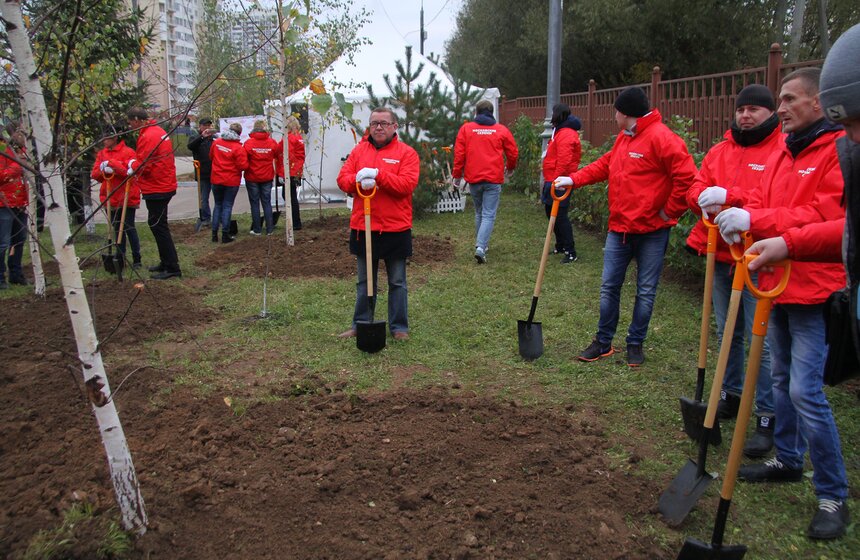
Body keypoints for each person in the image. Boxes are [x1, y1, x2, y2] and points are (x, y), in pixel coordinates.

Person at [715, 67, 849, 540]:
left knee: (804, 391)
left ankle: (833, 493)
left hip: (814, 289)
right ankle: (788, 459)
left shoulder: (836, 152)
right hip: (778, 283)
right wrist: (735, 210)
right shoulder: (784, 154)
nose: (784, 107)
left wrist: (759, 218)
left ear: (818, 103)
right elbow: (760, 200)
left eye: (791, 99)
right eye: (782, 99)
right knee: (777, 375)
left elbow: (822, 218)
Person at [556, 86, 697, 366]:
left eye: (616, 111)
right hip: (619, 228)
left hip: (652, 232)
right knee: (609, 287)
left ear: (625, 113)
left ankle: (635, 343)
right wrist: (574, 179)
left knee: (645, 290)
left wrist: (668, 211)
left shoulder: (662, 139)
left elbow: (688, 178)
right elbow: (604, 165)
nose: (614, 116)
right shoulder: (625, 138)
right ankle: (603, 341)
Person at [686, 84, 783, 457]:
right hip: (724, 256)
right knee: (728, 331)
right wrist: (702, 199)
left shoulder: (778, 152)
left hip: (759, 257)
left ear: (769, 113)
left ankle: (766, 416)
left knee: (763, 341)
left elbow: (771, 200)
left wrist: (732, 197)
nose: (746, 115)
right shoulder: (720, 150)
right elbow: (697, 186)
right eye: (741, 109)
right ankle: (730, 394)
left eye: (754, 110)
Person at [335, 107, 419, 341]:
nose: (378, 127)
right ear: (369, 127)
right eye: (374, 123)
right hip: (364, 227)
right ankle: (361, 324)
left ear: (394, 126)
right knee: (365, 281)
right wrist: (358, 180)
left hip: (395, 227)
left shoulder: (407, 153)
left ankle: (399, 327)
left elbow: (406, 185)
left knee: (397, 281)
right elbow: (342, 180)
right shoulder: (359, 151)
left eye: (384, 123)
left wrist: (378, 175)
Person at [452, 99, 518, 264]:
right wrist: (510, 167)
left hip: (474, 178)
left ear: (476, 112)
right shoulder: (501, 130)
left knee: (479, 212)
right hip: (493, 178)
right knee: (489, 214)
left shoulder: (466, 129)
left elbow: (459, 155)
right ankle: (481, 247)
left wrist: (457, 175)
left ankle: (481, 245)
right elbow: (513, 152)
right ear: (492, 112)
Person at [126, 108, 181, 280]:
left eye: (131, 122)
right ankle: (166, 262)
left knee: (158, 226)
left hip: (157, 186)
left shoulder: (148, 135)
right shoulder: (158, 131)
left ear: (137, 120)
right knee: (158, 224)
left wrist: (132, 165)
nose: (130, 126)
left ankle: (172, 267)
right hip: (163, 183)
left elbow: (145, 163)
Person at [91, 128, 142, 270]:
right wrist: (103, 170)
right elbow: (95, 174)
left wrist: (112, 164)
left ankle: (137, 258)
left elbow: (128, 172)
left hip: (126, 196)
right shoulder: (102, 154)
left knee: (128, 227)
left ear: (115, 138)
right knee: (116, 228)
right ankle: (120, 256)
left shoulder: (128, 152)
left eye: (107, 138)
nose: (104, 141)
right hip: (110, 197)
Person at [541, 103, 582, 263]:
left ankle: (570, 250)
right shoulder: (560, 132)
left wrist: (557, 180)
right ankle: (561, 244)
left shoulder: (566, 134)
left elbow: (564, 160)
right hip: (553, 178)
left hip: (559, 180)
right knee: (550, 212)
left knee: (560, 216)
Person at [209, 122, 249, 243]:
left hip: (216, 179)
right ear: (239, 134)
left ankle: (214, 234)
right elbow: (243, 166)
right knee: (227, 206)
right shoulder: (238, 148)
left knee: (217, 205)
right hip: (231, 181)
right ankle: (225, 234)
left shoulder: (217, 143)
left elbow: (211, 156)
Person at [0, 130, 29, 289]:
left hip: (19, 202)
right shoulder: (3, 151)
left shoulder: (17, 152)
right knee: (3, 243)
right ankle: (0, 278)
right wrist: (17, 167)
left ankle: (16, 273)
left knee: (18, 240)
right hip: (3, 203)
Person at [243, 120, 279, 235]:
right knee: (267, 202)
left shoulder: (249, 143)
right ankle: (270, 229)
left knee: (254, 203)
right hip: (267, 176)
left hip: (252, 176)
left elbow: (244, 158)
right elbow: (277, 155)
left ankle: (257, 229)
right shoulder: (272, 142)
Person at [276, 115, 306, 230]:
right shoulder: (298, 137)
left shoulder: (289, 139)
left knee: (289, 196)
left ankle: (295, 222)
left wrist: (282, 174)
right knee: (291, 196)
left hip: (290, 171)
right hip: (296, 170)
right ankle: (295, 221)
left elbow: (287, 157)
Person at [187, 118, 216, 226]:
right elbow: (190, 146)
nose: (207, 128)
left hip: (214, 172)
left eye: (209, 125)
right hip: (202, 173)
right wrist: (202, 137)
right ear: (200, 126)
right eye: (205, 125)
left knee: (218, 197)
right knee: (204, 198)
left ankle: (218, 217)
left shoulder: (213, 139)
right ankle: (205, 218)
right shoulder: (195, 138)